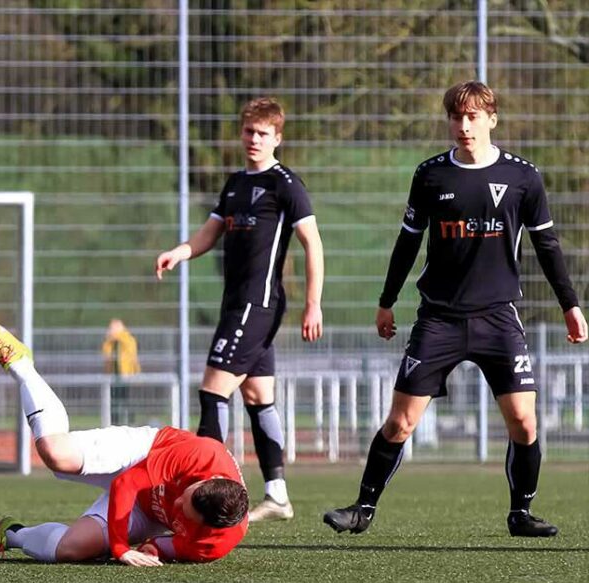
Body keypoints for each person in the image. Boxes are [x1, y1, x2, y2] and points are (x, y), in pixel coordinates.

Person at [323, 81, 587, 538]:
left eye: (472, 117)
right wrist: (386, 302)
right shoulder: (430, 175)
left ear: (491, 119)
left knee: (524, 421)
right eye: (455, 117)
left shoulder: (524, 176)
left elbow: (547, 245)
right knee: (400, 421)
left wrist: (571, 306)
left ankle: (520, 513)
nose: (463, 126)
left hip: (498, 317)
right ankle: (362, 508)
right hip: (439, 318)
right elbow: (407, 244)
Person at [0, 322, 249, 566]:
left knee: (71, 550)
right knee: (56, 453)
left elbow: (162, 546)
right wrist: (120, 548)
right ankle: (21, 364)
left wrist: (149, 551)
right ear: (209, 479)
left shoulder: (213, 544)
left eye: (186, 512)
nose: (179, 503)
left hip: (148, 512)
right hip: (142, 453)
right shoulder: (201, 455)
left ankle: (11, 533)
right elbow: (127, 483)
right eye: (187, 495)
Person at [155, 97, 324, 523]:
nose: (254, 140)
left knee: (213, 392)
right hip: (238, 304)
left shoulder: (285, 184)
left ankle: (206, 488)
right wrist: (180, 252)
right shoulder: (235, 184)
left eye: (263, 133)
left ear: (277, 138)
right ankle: (278, 494)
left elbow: (312, 244)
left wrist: (313, 304)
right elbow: (210, 232)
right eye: (249, 131)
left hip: (257, 304)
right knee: (258, 396)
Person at [101, 318, 141, 424]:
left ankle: (130, 422)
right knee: (113, 401)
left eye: (112, 328)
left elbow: (132, 355)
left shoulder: (128, 339)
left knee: (126, 400)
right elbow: (106, 353)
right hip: (113, 375)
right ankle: (115, 423)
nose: (110, 330)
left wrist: (137, 373)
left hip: (126, 375)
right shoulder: (110, 342)